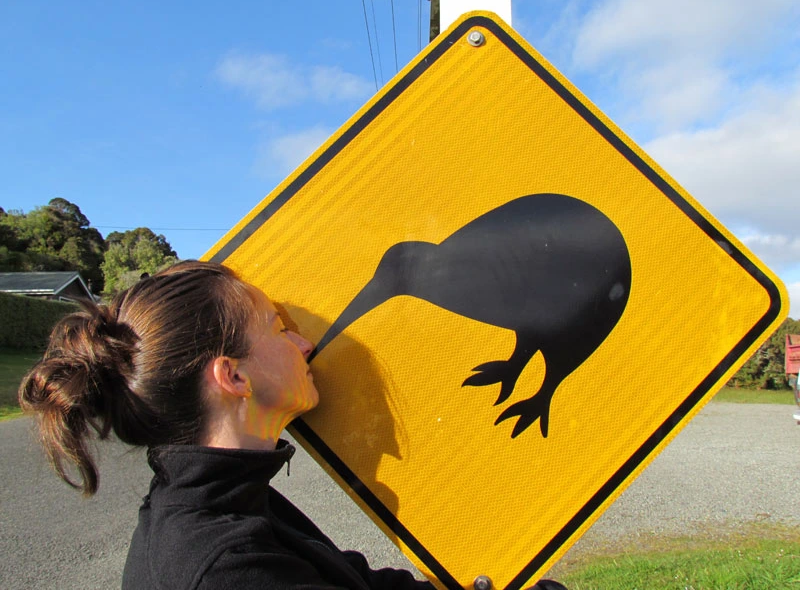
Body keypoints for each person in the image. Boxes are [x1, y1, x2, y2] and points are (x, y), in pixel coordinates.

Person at [19, 260, 566, 590]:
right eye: (278, 329)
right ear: (232, 376)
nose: (305, 344)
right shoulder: (224, 568)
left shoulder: (229, 501)